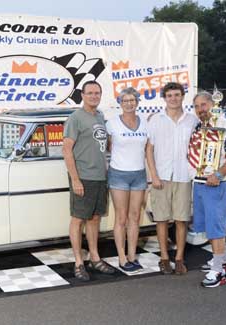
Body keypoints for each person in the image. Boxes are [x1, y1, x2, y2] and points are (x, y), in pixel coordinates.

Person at [188, 91, 226, 288]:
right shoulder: (199, 126)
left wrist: (218, 176)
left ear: (213, 104)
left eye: (204, 105)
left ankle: (219, 272)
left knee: (215, 228)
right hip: (201, 183)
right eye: (197, 106)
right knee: (210, 226)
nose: (200, 109)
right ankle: (222, 260)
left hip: (217, 184)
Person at [63, 80, 116, 281]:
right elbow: (67, 150)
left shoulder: (100, 116)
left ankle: (95, 257)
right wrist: (75, 180)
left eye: (97, 93)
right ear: (82, 95)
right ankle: (78, 262)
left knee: (95, 219)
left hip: (100, 176)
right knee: (78, 219)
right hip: (83, 176)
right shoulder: (75, 118)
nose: (94, 96)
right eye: (90, 93)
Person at [146, 82, 198, 275]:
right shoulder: (155, 120)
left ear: (183, 97)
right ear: (164, 98)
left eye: (177, 95)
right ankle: (164, 258)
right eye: (169, 95)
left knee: (181, 220)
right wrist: (154, 176)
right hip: (162, 177)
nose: (173, 98)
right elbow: (149, 149)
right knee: (161, 219)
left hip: (184, 177)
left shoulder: (192, 121)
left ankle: (179, 259)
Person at [106, 87, 148, 273]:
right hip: (119, 175)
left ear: (137, 102)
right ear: (120, 103)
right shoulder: (112, 123)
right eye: (125, 101)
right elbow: (106, 147)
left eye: (132, 100)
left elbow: (148, 149)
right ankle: (121, 257)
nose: (129, 103)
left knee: (135, 217)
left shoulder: (145, 122)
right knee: (121, 217)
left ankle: (132, 255)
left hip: (139, 174)